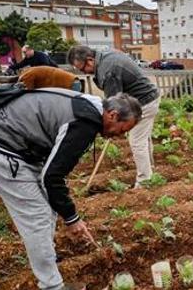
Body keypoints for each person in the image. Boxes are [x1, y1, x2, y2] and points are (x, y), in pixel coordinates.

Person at [0, 88, 142, 290]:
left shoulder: (91, 105)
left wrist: (66, 213)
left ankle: (45, 255)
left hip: (15, 144)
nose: (120, 135)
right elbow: (52, 177)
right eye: (124, 129)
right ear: (112, 115)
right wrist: (73, 219)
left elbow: (51, 176)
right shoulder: (84, 123)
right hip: (3, 149)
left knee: (48, 207)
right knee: (38, 216)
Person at [68, 45, 160, 187]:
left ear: (90, 60)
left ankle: (145, 181)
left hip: (144, 102)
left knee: (137, 141)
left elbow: (114, 104)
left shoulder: (108, 70)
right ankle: (149, 171)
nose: (83, 72)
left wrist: (109, 127)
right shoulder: (104, 57)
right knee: (143, 139)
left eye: (82, 68)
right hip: (145, 98)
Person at [18, 66, 82, 91]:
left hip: (71, 84)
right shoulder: (32, 70)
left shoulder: (26, 75)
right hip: (74, 81)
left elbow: (29, 91)